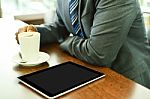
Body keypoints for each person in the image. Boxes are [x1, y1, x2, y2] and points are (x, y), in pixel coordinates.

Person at [16, 0, 150, 89]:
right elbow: (60, 27)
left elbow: (98, 53)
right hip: (88, 71)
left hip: (127, 82)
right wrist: (36, 33)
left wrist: (65, 41)